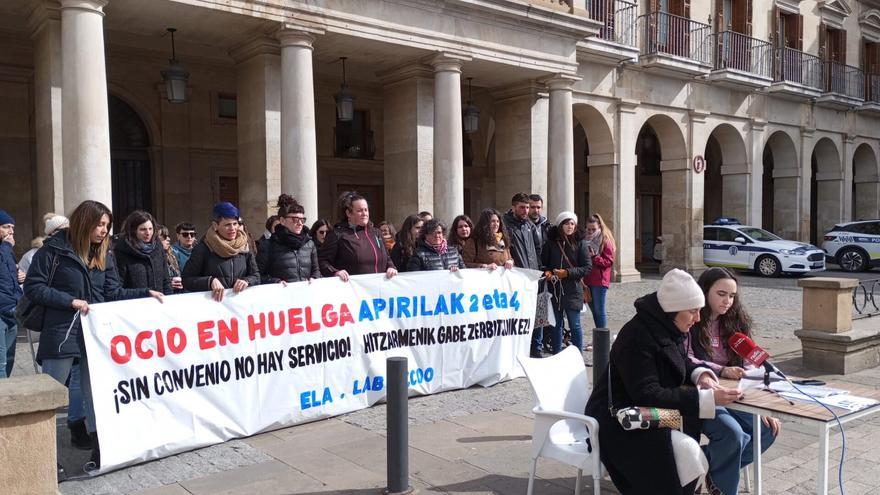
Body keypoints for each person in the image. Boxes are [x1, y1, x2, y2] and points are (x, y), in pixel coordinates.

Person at [23, 200, 165, 472]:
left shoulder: (104, 253)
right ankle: (44, 459)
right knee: (50, 396)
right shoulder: (53, 251)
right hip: (61, 334)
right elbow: (33, 287)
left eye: (107, 226)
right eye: (100, 225)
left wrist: (144, 293)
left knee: (95, 395)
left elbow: (112, 293)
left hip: (95, 338)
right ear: (84, 222)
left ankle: (100, 451)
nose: (104, 231)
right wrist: (70, 301)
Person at [585, 269, 742, 495]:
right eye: (693, 311)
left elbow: (681, 362)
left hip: (652, 413)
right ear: (673, 309)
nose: (698, 318)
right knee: (686, 454)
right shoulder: (637, 337)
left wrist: (701, 374)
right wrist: (705, 398)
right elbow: (646, 393)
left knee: (694, 451)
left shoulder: (667, 325)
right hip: (619, 420)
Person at [687, 267, 779, 495]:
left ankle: (708, 467)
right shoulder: (691, 319)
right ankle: (723, 487)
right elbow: (686, 358)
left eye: (732, 296)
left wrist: (761, 404)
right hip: (704, 395)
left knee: (768, 429)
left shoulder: (736, 322)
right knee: (734, 435)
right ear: (705, 291)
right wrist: (722, 370)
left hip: (736, 395)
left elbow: (750, 360)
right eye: (721, 294)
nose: (727, 301)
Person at [182, 202, 260, 301]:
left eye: (235, 224)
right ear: (215, 225)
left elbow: (256, 276)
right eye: (227, 225)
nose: (232, 228)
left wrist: (247, 281)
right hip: (214, 308)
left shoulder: (244, 246)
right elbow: (187, 280)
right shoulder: (203, 248)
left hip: (239, 307)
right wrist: (209, 281)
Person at [540, 211, 592, 354]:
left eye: (572, 223)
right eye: (567, 223)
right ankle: (557, 355)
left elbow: (587, 268)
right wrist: (548, 272)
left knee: (575, 325)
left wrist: (567, 273)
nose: (570, 226)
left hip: (573, 290)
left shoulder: (580, 244)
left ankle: (577, 355)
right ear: (560, 225)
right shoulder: (550, 243)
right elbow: (544, 264)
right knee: (556, 325)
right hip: (555, 290)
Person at [319, 191, 397, 281]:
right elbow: (322, 261)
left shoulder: (376, 233)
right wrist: (335, 272)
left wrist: (391, 267)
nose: (364, 214)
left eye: (366, 210)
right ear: (348, 213)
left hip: (379, 290)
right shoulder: (337, 235)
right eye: (359, 210)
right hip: (352, 291)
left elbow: (387, 258)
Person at [503, 193, 542, 356]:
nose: (526, 210)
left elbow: (538, 248)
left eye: (527, 207)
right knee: (517, 315)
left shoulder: (529, 225)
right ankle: (516, 350)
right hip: (516, 276)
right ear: (513, 207)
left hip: (532, 276)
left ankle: (536, 348)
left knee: (536, 314)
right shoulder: (505, 225)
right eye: (522, 207)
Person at [257, 194, 321, 283]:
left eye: (302, 220)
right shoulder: (268, 245)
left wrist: (314, 278)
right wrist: (276, 282)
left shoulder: (309, 243)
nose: (300, 223)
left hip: (306, 293)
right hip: (280, 294)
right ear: (282, 221)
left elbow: (316, 271)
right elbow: (258, 276)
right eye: (295, 219)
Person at [113, 210, 172, 294]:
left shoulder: (158, 247)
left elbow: (166, 280)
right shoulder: (122, 250)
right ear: (133, 230)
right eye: (143, 229)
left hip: (160, 302)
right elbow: (118, 288)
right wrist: (145, 293)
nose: (148, 233)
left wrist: (168, 299)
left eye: (150, 229)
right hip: (135, 303)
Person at [0, 209, 22, 379]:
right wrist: (7, 246)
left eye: (12, 227)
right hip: (1, 312)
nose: (11, 231)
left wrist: (19, 276)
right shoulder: (6, 248)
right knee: (1, 365)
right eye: (7, 227)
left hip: (12, 310)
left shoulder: (7, 250)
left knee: (9, 360)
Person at [584, 213, 615, 329]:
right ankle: (598, 337)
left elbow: (609, 262)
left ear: (600, 227)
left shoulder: (605, 240)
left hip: (599, 281)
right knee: (593, 310)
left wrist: (594, 257)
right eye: (588, 229)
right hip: (587, 279)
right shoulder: (585, 239)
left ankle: (602, 339)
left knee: (599, 310)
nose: (591, 232)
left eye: (594, 229)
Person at [156, 225, 183, 292]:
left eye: (168, 236)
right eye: (164, 237)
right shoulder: (152, 258)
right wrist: (167, 285)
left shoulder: (173, 254)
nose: (168, 239)